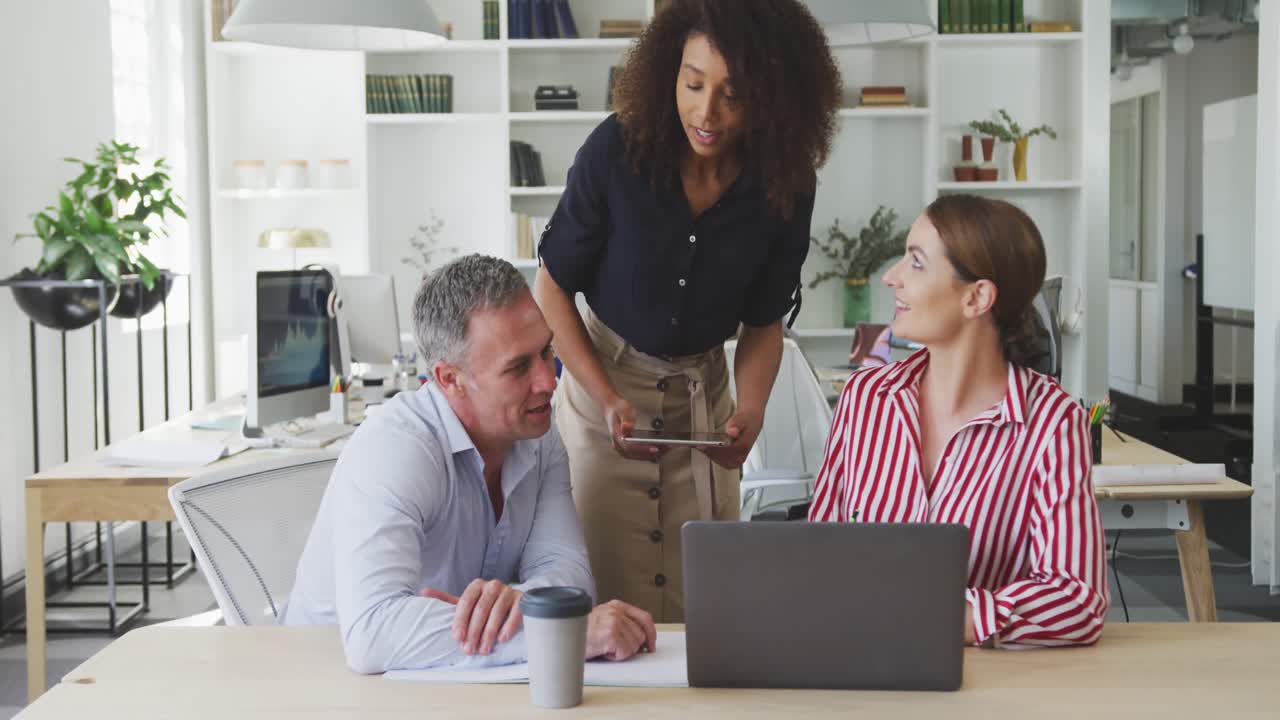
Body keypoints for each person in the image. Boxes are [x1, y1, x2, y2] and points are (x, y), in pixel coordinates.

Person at [533, 0, 842, 622]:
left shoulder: (784, 181)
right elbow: (551, 289)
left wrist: (749, 409)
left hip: (703, 399)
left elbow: (763, 325)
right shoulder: (615, 152)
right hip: (603, 390)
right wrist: (605, 396)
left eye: (733, 94)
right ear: (668, 71)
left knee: (704, 604)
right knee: (608, 599)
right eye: (693, 83)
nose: (706, 112)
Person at [282, 255, 657, 672]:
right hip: (325, 684)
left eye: (546, 350)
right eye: (518, 367)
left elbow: (568, 577)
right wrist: (554, 629)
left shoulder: (539, 435)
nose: (549, 380)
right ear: (449, 380)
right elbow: (374, 631)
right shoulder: (396, 447)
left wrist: (517, 604)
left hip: (443, 678)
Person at [808, 195, 1109, 648]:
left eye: (916, 262)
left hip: (984, 685)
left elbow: (1078, 598)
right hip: (857, 666)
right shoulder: (865, 399)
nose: (892, 278)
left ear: (977, 297)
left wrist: (940, 618)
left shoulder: (1051, 421)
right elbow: (817, 556)